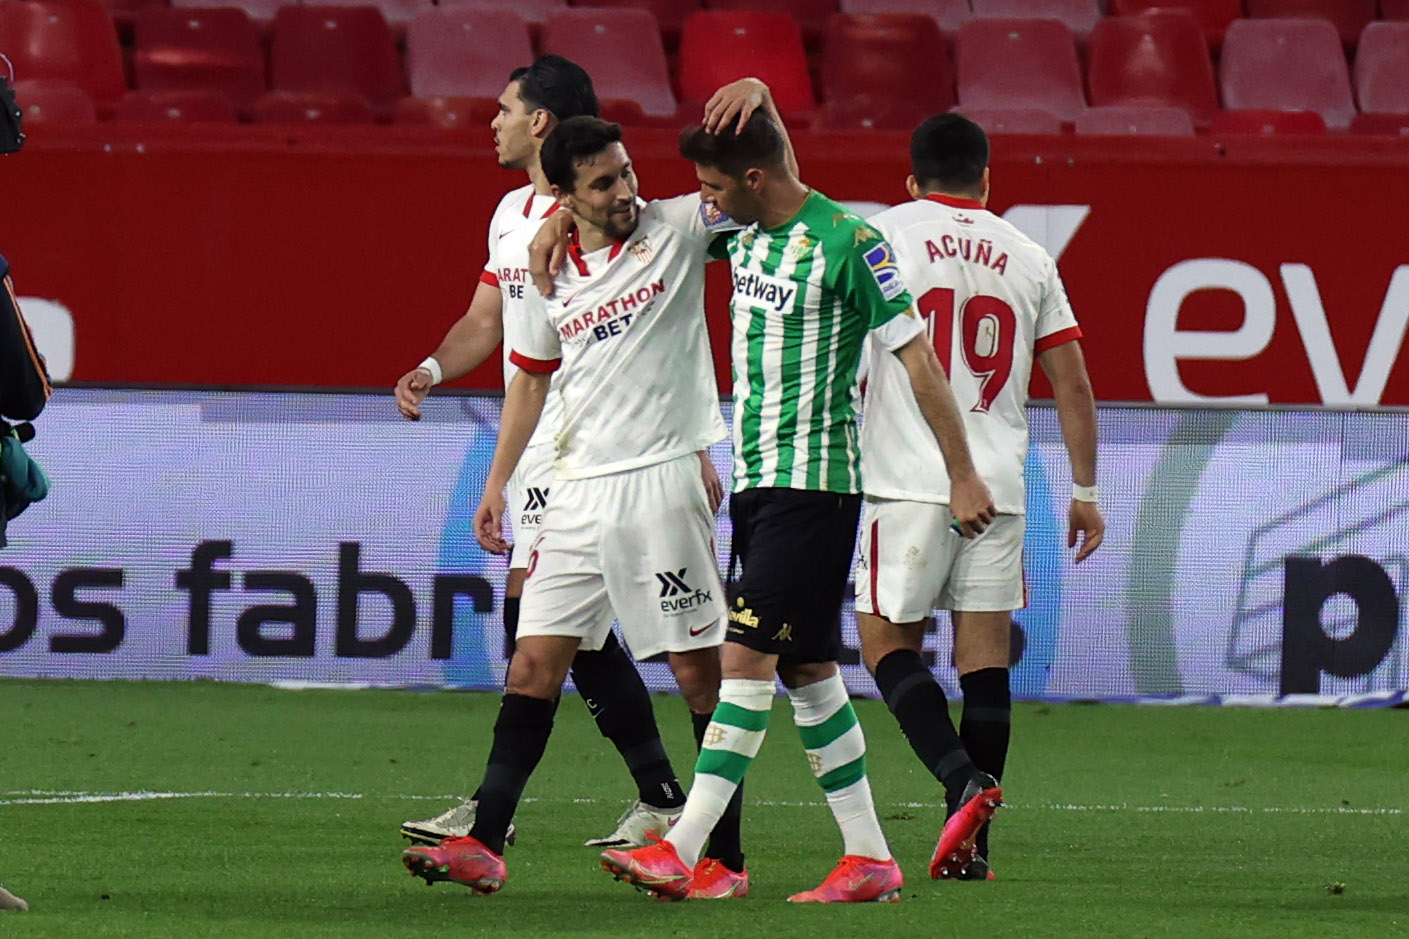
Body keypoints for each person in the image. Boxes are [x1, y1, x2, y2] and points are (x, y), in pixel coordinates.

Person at [598, 103, 997, 903]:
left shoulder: (850, 243)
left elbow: (919, 364)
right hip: (756, 486)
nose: (703, 200)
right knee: (810, 672)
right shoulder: (736, 230)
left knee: (742, 658)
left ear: (754, 177)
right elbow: (632, 229)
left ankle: (682, 846)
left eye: (714, 185)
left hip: (813, 488)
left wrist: (962, 473)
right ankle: (868, 857)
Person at [402, 113, 751, 899]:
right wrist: (497, 483)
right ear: (562, 193)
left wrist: (753, 100)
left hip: (661, 480)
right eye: (603, 182)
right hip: (574, 490)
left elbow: (764, 191)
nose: (625, 191)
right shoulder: (547, 269)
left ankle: (723, 860)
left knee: (698, 676)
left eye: (626, 172)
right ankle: (486, 841)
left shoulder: (677, 227)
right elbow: (530, 378)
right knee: (533, 662)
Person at [856, 113, 1105, 881]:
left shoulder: (878, 235)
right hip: (997, 483)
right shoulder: (1028, 255)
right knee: (983, 659)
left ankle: (961, 778)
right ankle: (971, 846)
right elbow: (1072, 384)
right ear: (986, 180)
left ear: (911, 180)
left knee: (883, 644)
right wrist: (1086, 491)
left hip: (906, 477)